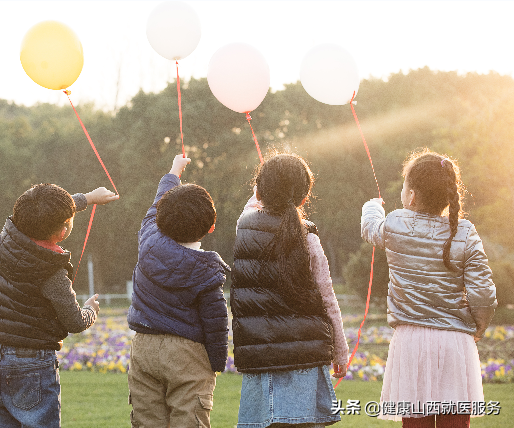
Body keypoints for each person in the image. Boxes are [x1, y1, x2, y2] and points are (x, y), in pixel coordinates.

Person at [361, 148, 497, 428]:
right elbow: (483, 291)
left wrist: (372, 205)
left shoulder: (396, 222)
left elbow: (370, 228)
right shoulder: (465, 231)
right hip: (455, 342)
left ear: (411, 195)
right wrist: (480, 326)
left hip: (411, 340)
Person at [0, 183, 118, 428]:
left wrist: (88, 198)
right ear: (63, 230)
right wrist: (90, 311)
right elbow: (75, 321)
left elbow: (48, 212)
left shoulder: (9, 239)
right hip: (32, 364)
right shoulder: (50, 270)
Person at [231, 152, 349, 428]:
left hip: (261, 362)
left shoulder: (244, 227)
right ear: (304, 198)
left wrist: (261, 191)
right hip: (305, 361)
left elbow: (253, 206)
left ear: (258, 191)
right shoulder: (308, 238)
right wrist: (340, 351)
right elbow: (327, 300)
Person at [127, 154, 230, 428]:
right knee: (189, 420)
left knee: (147, 420)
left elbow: (159, 199)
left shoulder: (148, 237)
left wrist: (174, 170)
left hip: (144, 346)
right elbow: (216, 321)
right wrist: (217, 361)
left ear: (160, 217)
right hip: (188, 354)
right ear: (211, 227)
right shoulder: (207, 271)